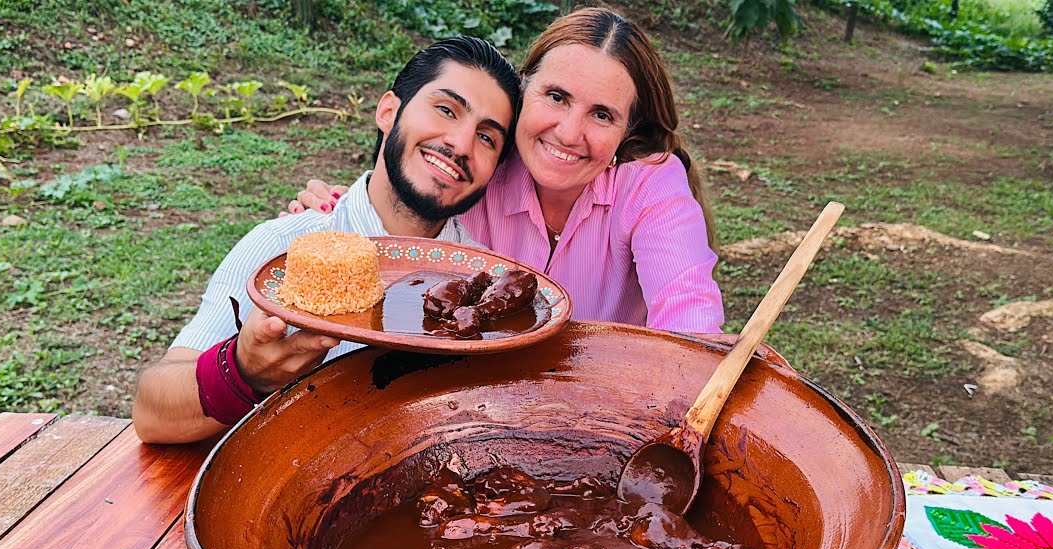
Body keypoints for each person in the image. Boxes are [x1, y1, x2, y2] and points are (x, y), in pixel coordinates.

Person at [133, 37, 521, 444]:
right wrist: (244, 372)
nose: (461, 144)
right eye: (446, 110)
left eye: (487, 138)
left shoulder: (486, 286)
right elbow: (152, 413)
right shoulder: (284, 247)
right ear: (389, 111)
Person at [288, 8, 724, 334]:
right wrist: (343, 211)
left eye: (603, 115)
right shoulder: (480, 165)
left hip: (608, 407)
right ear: (524, 89)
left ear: (630, 132)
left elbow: (689, 321)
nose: (569, 133)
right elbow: (407, 206)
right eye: (556, 96)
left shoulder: (649, 183)